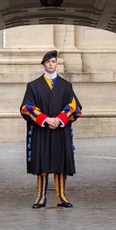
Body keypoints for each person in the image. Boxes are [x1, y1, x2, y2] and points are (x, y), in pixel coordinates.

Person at [20, 50, 82, 209]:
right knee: (42, 163)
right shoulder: (33, 86)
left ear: (56, 64)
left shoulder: (66, 86)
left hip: (61, 131)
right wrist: (46, 120)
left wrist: (60, 119)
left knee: (60, 163)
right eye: (48, 62)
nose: (50, 64)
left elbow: (74, 107)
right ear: (43, 65)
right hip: (42, 131)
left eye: (53, 61)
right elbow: (27, 107)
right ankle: (40, 197)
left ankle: (61, 196)